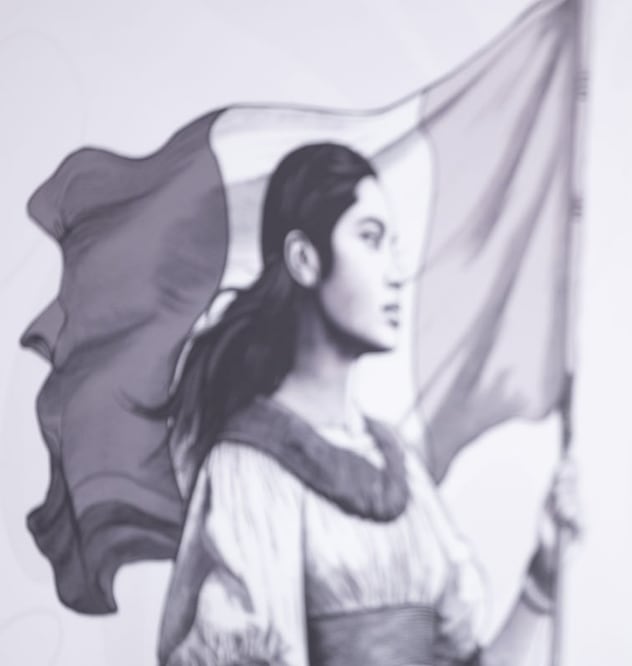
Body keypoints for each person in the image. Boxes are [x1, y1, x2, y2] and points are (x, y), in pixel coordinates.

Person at [154, 142, 575, 666]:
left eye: (393, 243)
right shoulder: (250, 469)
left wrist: (542, 575)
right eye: (370, 239)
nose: (396, 272)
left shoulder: (398, 466)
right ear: (305, 260)